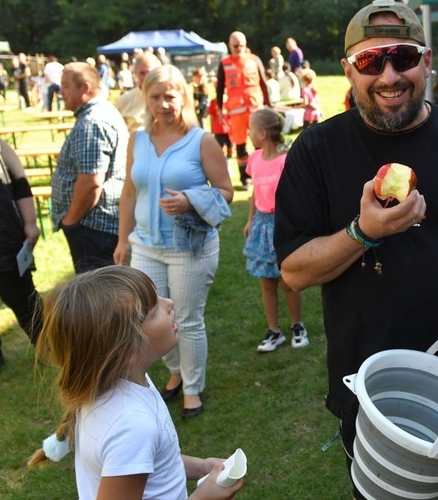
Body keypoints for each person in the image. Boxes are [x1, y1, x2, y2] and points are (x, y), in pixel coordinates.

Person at [273, 2, 438, 498]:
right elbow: (293, 271)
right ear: (348, 69)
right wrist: (363, 231)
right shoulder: (316, 151)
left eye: (403, 58)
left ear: (427, 60)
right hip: (374, 395)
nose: (389, 76)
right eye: (372, 62)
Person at [28, 266, 244, 499]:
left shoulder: (128, 383)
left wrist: (202, 467)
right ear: (126, 350)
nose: (169, 303)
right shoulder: (131, 426)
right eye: (153, 310)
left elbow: (155, 462)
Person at [114, 65, 234, 419]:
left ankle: (192, 389)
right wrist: (123, 240)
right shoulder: (137, 139)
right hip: (146, 246)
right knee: (147, 316)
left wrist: (191, 199)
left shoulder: (202, 141)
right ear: (145, 98)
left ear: (183, 95)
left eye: (170, 95)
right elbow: (129, 193)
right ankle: (175, 372)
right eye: (155, 97)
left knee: (187, 318)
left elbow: (226, 191)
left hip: (189, 248)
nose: (164, 104)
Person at [53, 62, 129, 273]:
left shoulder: (92, 123)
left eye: (66, 86)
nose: (60, 92)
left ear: (85, 88)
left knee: (99, 299)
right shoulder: (96, 116)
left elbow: (91, 183)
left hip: (93, 227)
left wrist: (70, 221)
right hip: (94, 225)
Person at [243, 109, 308, 352]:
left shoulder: (284, 161)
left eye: (250, 129)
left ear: (262, 133)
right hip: (262, 223)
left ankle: (296, 325)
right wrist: (250, 220)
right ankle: (274, 331)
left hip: (282, 223)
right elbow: (254, 193)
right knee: (267, 281)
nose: (247, 134)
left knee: (288, 280)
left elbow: (294, 197)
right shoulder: (255, 159)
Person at [0, 133, 43, 375]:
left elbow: (20, 180)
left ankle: (51, 346)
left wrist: (31, 221)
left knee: (22, 297)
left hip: (2, 236)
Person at [216, 31, 270, 189]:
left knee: (260, 141)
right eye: (235, 46)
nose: (239, 48)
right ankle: (245, 178)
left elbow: (263, 82)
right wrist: (220, 109)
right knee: (240, 144)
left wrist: (268, 104)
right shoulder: (224, 63)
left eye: (241, 45)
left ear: (246, 45)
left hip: (255, 107)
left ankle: (263, 172)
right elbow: (220, 88)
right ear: (229, 45)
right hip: (235, 110)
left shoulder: (254, 59)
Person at [114, 53, 162, 133]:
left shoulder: (170, 99)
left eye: (150, 72)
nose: (146, 77)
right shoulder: (123, 101)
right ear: (135, 74)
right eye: (142, 73)